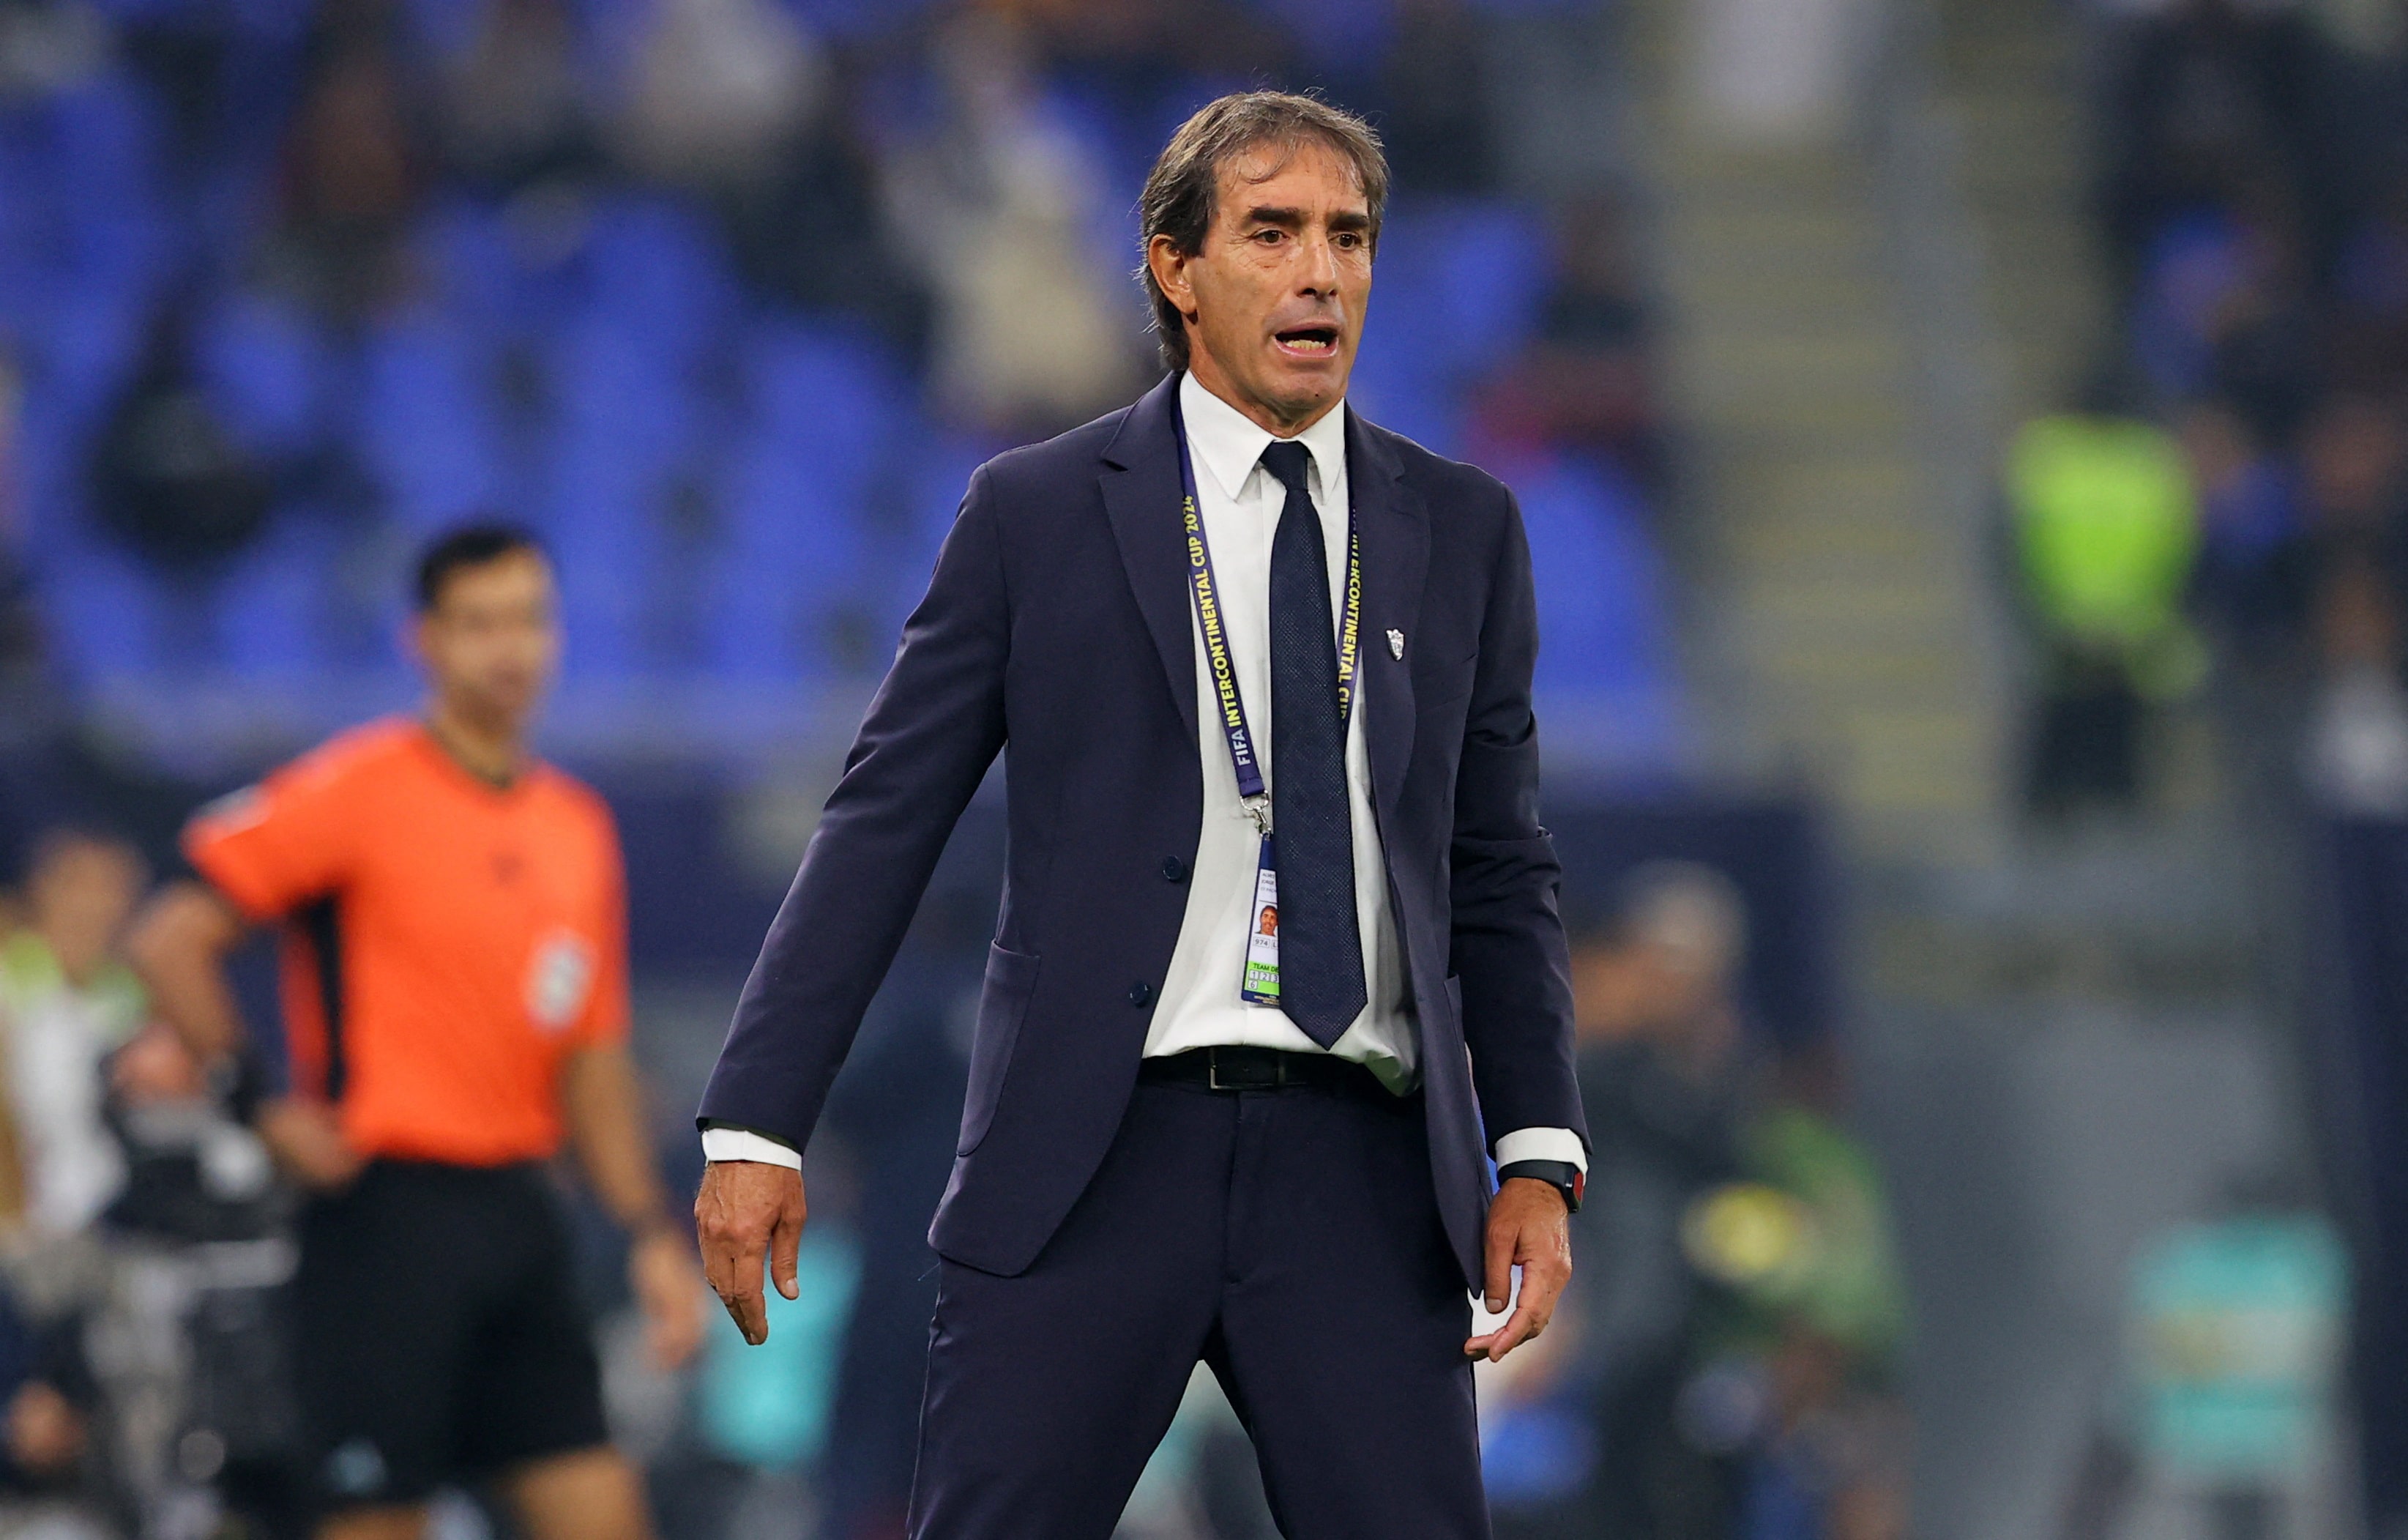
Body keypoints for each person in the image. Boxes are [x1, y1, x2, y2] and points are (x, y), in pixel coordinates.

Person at [694, 91, 1588, 1536]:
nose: (1321, 272)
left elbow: (1497, 862)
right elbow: (882, 819)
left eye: (1349, 236)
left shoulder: (1462, 527)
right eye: (1273, 233)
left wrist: (1537, 1147)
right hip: (1091, 1153)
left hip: (1362, 1168)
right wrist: (757, 1119)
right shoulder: (1036, 513)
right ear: (1176, 268)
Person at [124, 525, 705, 1540]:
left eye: (527, 620)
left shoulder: (575, 826)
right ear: (423, 640)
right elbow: (171, 938)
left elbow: (593, 1054)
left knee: (604, 1513)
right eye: (479, 623)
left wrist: (648, 1230)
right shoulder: (357, 790)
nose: (509, 649)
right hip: (383, 1218)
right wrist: (257, 1107)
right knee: (376, 1520)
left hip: (520, 1212)